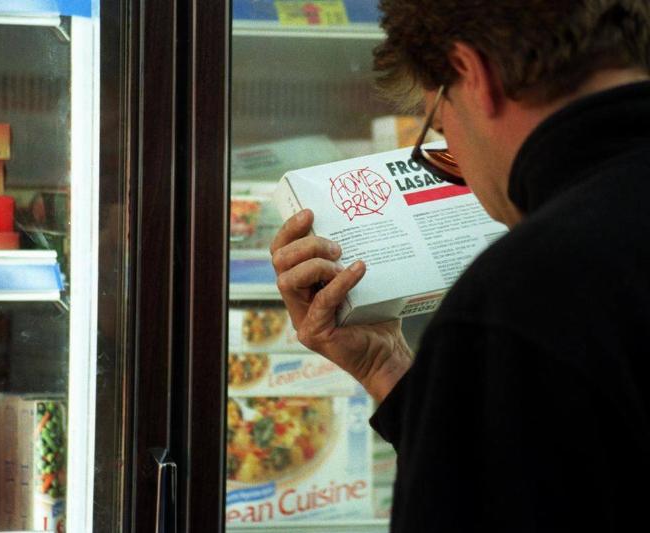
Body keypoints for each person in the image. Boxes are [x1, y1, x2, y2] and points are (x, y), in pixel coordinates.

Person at [270, 1, 650, 531]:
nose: (458, 165)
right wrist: (391, 372)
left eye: (439, 127)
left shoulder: (521, 294)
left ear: (474, 75)